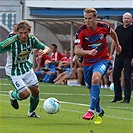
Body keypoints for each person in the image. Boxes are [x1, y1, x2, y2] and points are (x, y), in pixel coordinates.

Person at [74, 8, 121, 124]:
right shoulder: (81, 31)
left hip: (102, 59)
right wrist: (88, 52)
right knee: (92, 90)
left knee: (96, 79)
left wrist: (118, 45)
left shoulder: (104, 26)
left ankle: (91, 110)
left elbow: (113, 33)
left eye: (89, 18)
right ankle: (99, 111)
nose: (87, 21)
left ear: (95, 18)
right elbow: (77, 51)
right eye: (85, 18)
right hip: (88, 63)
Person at [0, 20, 51, 118]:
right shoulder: (11, 42)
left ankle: (31, 112)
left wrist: (44, 52)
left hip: (26, 68)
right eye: (21, 33)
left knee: (36, 91)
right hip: (14, 71)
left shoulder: (32, 39)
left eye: (25, 33)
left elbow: (47, 48)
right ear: (17, 32)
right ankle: (13, 95)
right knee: (25, 94)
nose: (23, 35)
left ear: (29, 32)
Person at [110, 12, 132, 103]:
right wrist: (111, 53)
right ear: (122, 19)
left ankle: (127, 98)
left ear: (131, 19)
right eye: (125, 18)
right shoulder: (118, 29)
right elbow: (114, 41)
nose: (126, 20)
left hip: (129, 56)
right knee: (115, 75)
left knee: (127, 77)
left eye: (128, 18)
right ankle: (117, 96)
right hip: (119, 55)